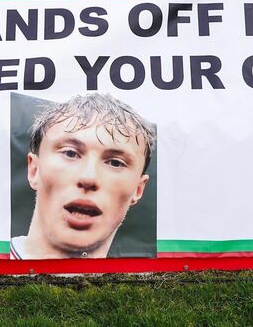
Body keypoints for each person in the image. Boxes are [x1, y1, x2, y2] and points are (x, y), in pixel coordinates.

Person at [10, 93, 156, 260]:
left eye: (115, 163)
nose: (89, 178)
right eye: (70, 153)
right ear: (34, 170)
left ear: (138, 189)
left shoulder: (146, 283)